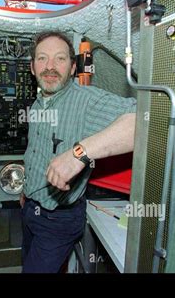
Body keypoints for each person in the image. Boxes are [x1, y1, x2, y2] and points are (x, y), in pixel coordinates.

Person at [20, 31, 137, 273]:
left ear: (73, 67)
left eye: (60, 59)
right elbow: (35, 151)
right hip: (30, 209)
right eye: (42, 58)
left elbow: (146, 119)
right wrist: (26, 191)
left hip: (58, 220)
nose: (50, 67)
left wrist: (79, 154)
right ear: (32, 67)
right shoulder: (37, 103)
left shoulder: (86, 101)